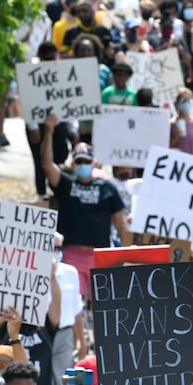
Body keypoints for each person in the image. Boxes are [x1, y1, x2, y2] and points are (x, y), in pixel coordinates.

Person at [40, 123, 129, 294]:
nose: (82, 164)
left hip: (100, 256)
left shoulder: (107, 187)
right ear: (73, 164)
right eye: (79, 161)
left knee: (103, 310)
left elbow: (120, 224)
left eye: (86, 161)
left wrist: (127, 256)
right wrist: (49, 131)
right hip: (71, 255)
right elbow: (46, 165)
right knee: (74, 310)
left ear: (94, 163)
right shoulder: (65, 184)